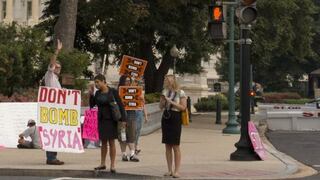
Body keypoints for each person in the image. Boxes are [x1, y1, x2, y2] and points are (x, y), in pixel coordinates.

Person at [89, 74, 127, 173]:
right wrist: (91, 95)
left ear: (103, 81)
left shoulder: (113, 91)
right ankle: (102, 163)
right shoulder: (97, 93)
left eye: (98, 82)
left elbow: (120, 105)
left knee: (111, 142)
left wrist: (123, 120)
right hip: (101, 120)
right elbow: (92, 105)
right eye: (95, 82)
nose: (96, 84)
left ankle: (113, 165)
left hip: (111, 120)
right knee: (103, 143)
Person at [159, 74, 187, 178]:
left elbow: (183, 107)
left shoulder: (180, 92)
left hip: (175, 117)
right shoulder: (164, 91)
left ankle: (177, 171)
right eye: (165, 79)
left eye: (168, 79)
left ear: (173, 81)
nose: (166, 81)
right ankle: (169, 169)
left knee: (175, 145)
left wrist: (171, 102)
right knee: (167, 145)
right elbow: (160, 107)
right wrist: (162, 101)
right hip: (166, 117)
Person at [44, 39, 64, 165]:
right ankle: (51, 158)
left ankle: (53, 156)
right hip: (51, 109)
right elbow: (51, 64)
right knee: (52, 133)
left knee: (55, 133)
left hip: (56, 110)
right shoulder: (50, 75)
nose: (58, 68)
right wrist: (57, 51)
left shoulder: (56, 79)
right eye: (57, 66)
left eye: (60, 67)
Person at [117, 75, 139, 162]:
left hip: (131, 115)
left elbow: (139, 103)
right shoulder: (118, 91)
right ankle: (124, 154)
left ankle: (132, 153)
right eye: (126, 81)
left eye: (129, 81)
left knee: (131, 135)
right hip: (121, 117)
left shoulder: (134, 91)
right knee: (122, 136)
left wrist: (140, 99)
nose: (128, 82)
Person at [133, 79, 148, 155]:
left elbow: (143, 104)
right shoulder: (126, 91)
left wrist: (145, 115)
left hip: (139, 112)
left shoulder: (141, 92)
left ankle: (136, 146)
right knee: (133, 130)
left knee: (137, 131)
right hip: (131, 112)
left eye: (135, 82)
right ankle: (133, 147)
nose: (134, 83)